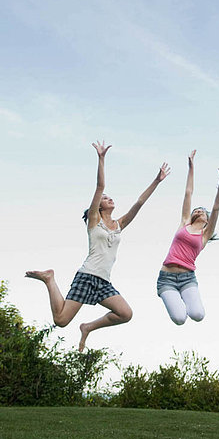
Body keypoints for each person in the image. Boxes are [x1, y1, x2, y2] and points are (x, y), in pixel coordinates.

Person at [26, 140, 170, 351]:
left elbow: (139, 202)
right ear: (98, 206)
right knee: (61, 320)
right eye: (105, 198)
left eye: (110, 197)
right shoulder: (94, 220)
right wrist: (101, 159)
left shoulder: (119, 224)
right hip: (87, 276)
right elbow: (100, 186)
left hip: (103, 282)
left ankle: (88, 327)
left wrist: (156, 181)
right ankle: (49, 279)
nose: (108, 198)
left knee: (125, 314)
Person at [157, 150, 219, 325]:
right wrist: (191, 167)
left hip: (187, 279)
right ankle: (172, 298)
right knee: (179, 318)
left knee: (198, 315)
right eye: (195, 210)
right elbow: (188, 193)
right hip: (166, 277)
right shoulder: (185, 223)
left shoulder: (205, 234)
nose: (198, 211)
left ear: (207, 220)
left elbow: (215, 208)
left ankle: (182, 298)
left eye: (201, 211)